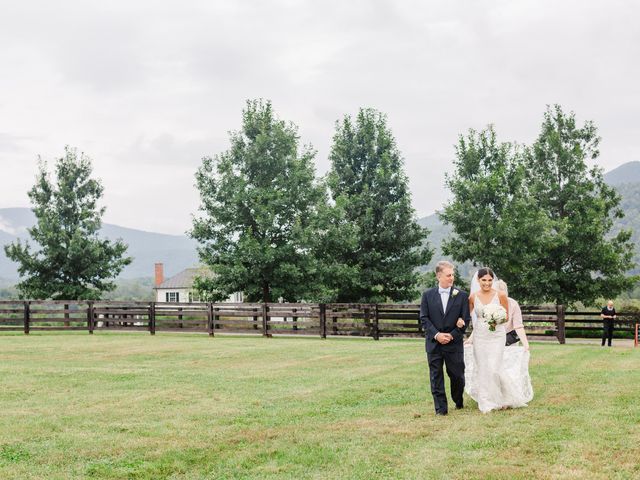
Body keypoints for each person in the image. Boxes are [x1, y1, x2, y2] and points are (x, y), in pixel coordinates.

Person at [464, 268, 533, 413]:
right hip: (480, 336)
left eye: (490, 280)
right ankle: (486, 402)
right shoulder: (472, 297)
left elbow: (506, 317)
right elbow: (468, 317)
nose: (487, 283)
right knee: (483, 368)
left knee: (495, 368)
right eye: (484, 280)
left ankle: (503, 398)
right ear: (478, 281)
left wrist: (496, 318)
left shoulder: (501, 295)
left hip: (497, 336)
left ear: (493, 281)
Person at [420, 260, 471, 416]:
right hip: (434, 343)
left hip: (453, 343)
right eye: (448, 275)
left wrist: (452, 335)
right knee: (436, 376)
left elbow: (465, 320)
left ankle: (458, 399)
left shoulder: (461, 296)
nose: (452, 278)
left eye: (453, 275)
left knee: (457, 375)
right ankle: (441, 409)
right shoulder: (427, 295)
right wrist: (437, 335)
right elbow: (424, 318)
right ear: (439, 276)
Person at [495, 280, 529, 350]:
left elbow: (518, 326)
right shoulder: (489, 304)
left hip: (509, 340)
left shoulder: (513, 304)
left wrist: (525, 343)